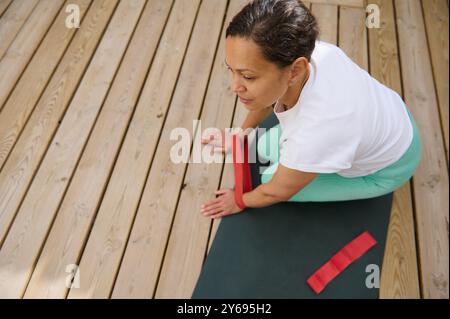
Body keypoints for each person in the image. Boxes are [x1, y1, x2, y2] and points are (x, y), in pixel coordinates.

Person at [200, 0, 422, 219]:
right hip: (395, 115)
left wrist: (239, 200)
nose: (234, 87)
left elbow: (277, 191)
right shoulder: (309, 52)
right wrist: (240, 135)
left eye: (248, 76)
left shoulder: (316, 132)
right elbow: (265, 97)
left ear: (295, 70)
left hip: (390, 168)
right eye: (232, 70)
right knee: (264, 148)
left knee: (269, 179)